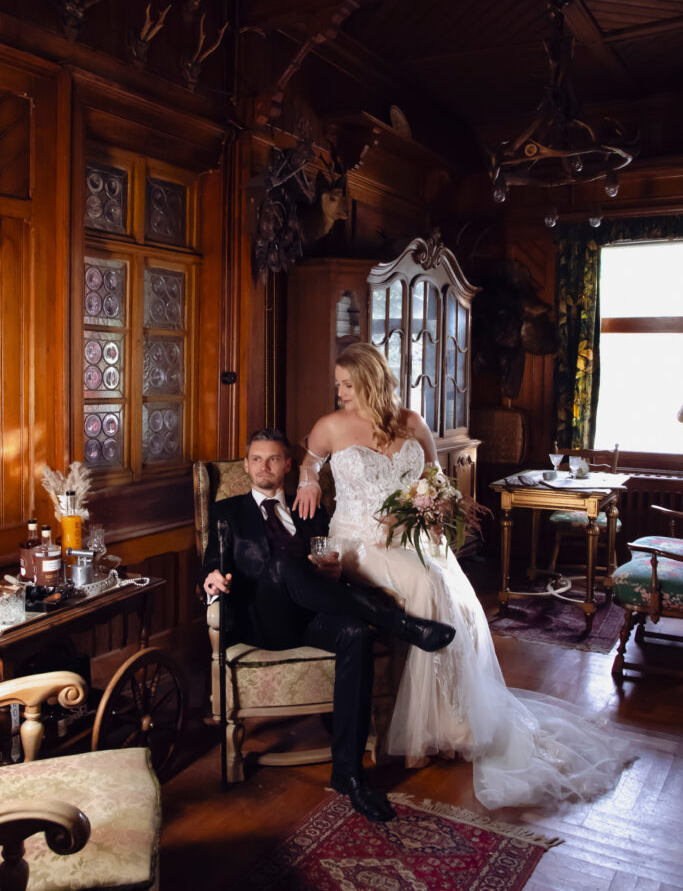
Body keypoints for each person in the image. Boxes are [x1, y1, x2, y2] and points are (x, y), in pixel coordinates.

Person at [294, 343, 636, 811]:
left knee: (455, 594)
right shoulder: (329, 425)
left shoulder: (411, 422)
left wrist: (434, 513)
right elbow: (309, 460)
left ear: (372, 381)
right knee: (426, 587)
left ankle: (452, 717)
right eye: (338, 384)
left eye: (347, 384)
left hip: (413, 539)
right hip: (358, 541)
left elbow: (436, 479)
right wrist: (308, 479)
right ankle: (429, 726)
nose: (340, 392)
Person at [202, 427, 455, 823]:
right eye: (255, 459)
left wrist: (333, 573)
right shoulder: (227, 512)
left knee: (354, 634)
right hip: (261, 623)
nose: (262, 467)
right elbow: (211, 568)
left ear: (287, 465)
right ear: (246, 464)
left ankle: (349, 774)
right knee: (284, 564)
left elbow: (324, 568)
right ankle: (400, 623)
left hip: (310, 618)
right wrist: (211, 581)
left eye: (272, 459)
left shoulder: (309, 510)